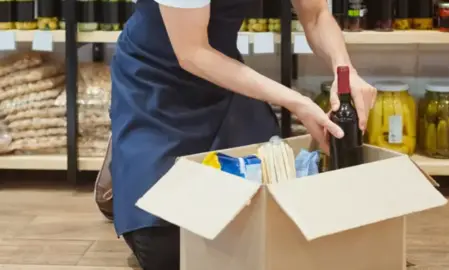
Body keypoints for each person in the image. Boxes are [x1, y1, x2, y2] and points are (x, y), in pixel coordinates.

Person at [103, 0, 377, 269]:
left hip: (222, 77)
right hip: (154, 79)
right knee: (166, 250)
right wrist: (297, 102)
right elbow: (191, 53)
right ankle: (125, 164)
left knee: (266, 218)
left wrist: (345, 70)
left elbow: (316, 14)